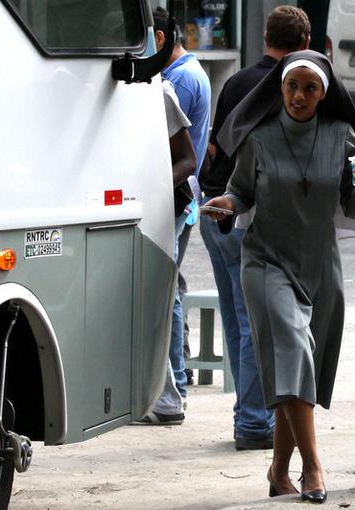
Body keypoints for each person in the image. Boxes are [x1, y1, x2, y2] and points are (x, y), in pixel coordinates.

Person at [203, 50, 355, 504]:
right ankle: (314, 466)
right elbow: (240, 191)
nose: (299, 96)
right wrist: (227, 206)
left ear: (324, 94)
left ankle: (279, 470)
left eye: (310, 88)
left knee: (297, 368)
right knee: (294, 350)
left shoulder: (342, 137)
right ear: (279, 88)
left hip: (321, 266)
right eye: (291, 87)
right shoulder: (260, 138)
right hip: (266, 260)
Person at [199, 5, 311, 451]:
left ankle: (249, 413)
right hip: (246, 213)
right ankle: (252, 422)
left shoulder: (237, 81)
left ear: (265, 37)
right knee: (256, 325)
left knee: (236, 320)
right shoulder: (287, 90)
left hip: (212, 208)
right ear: (304, 44)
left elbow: (214, 146)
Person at [153, 7, 212, 400]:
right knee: (171, 286)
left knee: (167, 290)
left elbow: (179, 153)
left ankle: (173, 386)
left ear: (158, 40)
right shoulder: (185, 74)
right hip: (182, 196)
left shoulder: (179, 80)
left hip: (177, 197)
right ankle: (177, 377)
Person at [134, 79, 198, 424]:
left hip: (167, 209)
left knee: (162, 297)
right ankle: (163, 395)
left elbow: (188, 160)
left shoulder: (159, 92)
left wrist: (151, 190)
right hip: (135, 209)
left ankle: (170, 398)